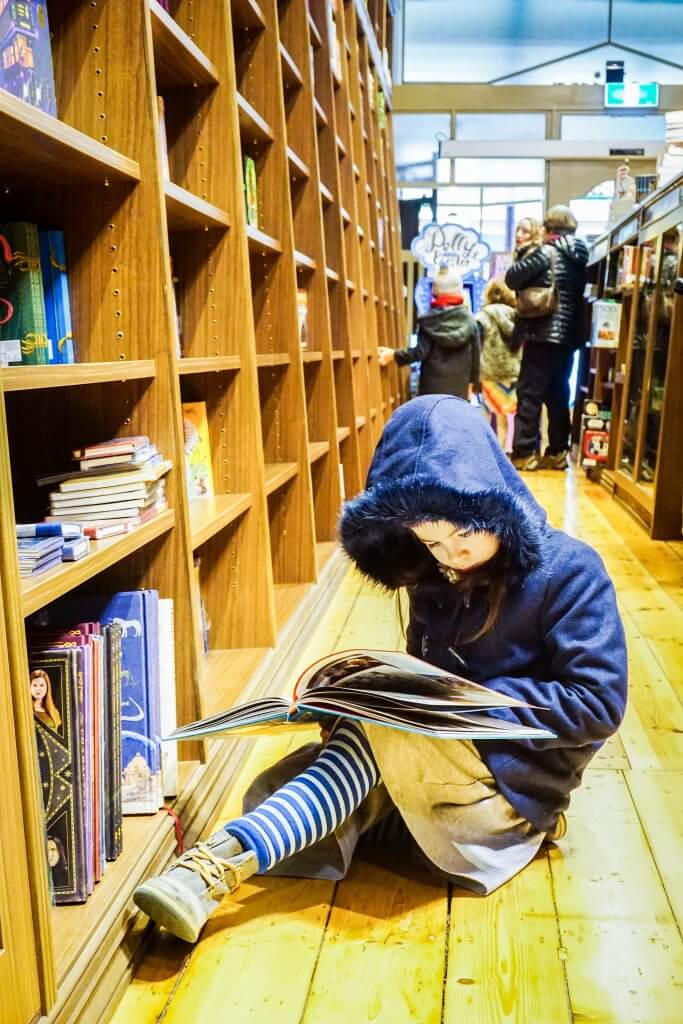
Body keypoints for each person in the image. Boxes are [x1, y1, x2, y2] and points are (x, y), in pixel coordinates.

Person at [133, 397, 627, 944]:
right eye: (432, 541)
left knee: (369, 738)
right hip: (444, 767)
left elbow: (598, 703)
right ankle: (220, 866)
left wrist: (471, 700)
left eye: (464, 534)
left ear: (498, 501)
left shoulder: (571, 570)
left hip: (515, 788)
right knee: (349, 737)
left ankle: (208, 870)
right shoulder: (433, 573)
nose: (452, 554)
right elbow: (424, 678)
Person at [506, 205, 588, 471]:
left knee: (529, 393)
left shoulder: (547, 251)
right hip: (568, 337)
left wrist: (522, 252)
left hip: (542, 333)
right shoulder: (580, 256)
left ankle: (524, 452)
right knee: (558, 394)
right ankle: (557, 452)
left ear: (548, 227)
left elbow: (512, 277)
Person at [378, 263, 479, 400]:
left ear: (435, 292)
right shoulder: (470, 321)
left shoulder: (428, 320)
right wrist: (473, 385)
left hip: (431, 387)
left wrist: (394, 355)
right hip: (459, 386)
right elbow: (476, 358)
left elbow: (420, 352)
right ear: (459, 290)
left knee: (430, 420)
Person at [475, 278, 520, 452]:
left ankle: (483, 452)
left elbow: (476, 346)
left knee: (486, 413)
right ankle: (503, 450)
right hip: (512, 373)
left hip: (488, 373)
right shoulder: (516, 316)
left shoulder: (481, 316)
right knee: (505, 416)